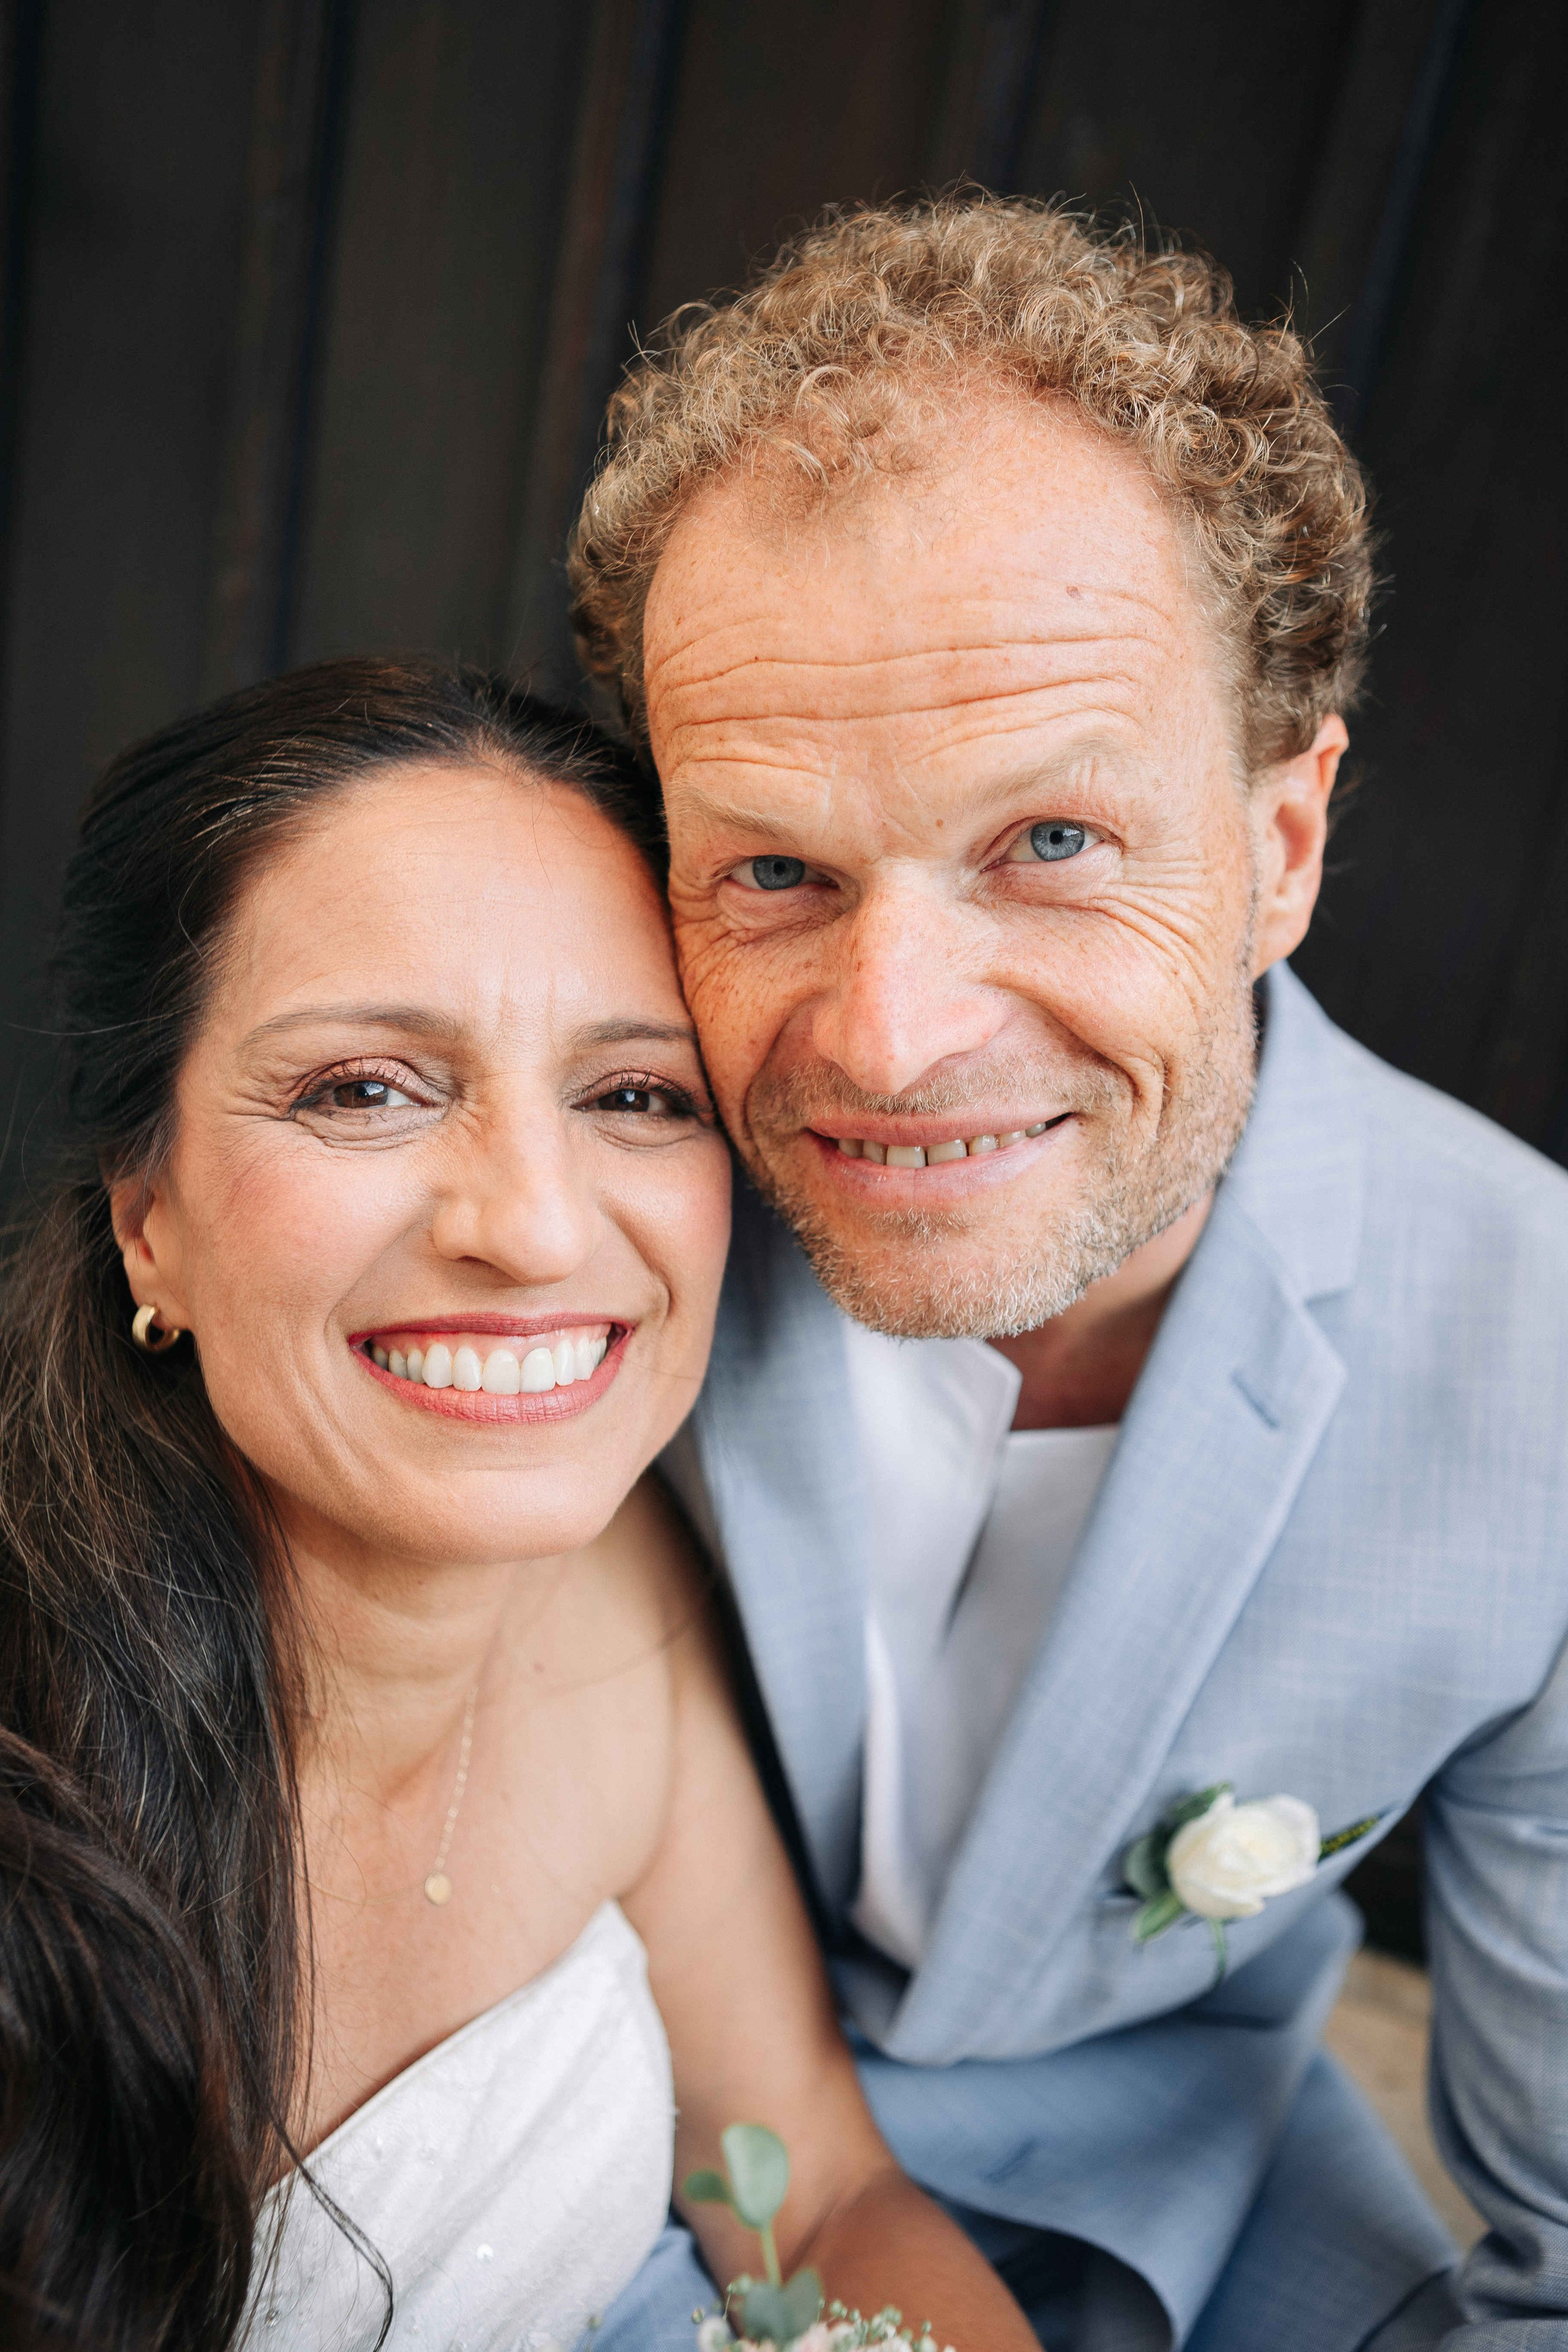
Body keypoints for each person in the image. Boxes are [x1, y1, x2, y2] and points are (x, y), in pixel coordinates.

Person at [567, 198, 1568, 2351]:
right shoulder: (571, 1196)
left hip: (1196, 2196)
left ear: (1282, 846)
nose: (891, 1036)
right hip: (584, 2131)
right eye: (773, 869)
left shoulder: (1543, 1378)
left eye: (1052, 843)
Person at [0, 659, 1038, 2351]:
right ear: (148, 1219)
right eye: (365, 1089)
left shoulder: (617, 1591)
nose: (535, 1229)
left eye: (636, 1095)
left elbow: (812, 2201)